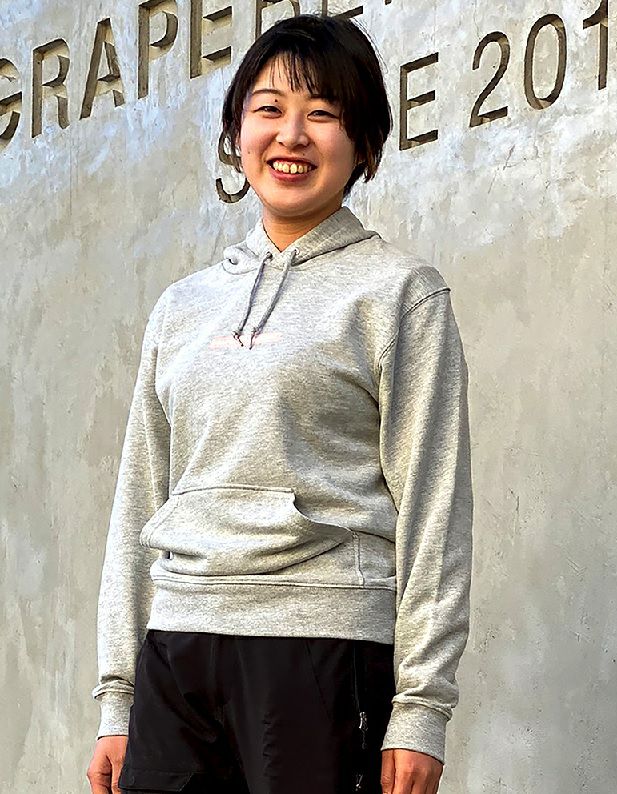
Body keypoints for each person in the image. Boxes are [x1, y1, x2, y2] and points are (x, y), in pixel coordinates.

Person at [85, 12, 473, 794]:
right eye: (268, 109)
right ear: (237, 132)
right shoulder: (182, 306)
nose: (291, 134)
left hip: (321, 654)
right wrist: (118, 697)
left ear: (365, 146)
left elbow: (436, 505)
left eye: (322, 113)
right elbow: (140, 499)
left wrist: (420, 709)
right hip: (177, 653)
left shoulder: (399, 294)